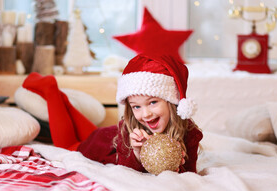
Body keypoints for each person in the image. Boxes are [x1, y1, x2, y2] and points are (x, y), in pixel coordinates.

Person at [22, 54, 203, 173]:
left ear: (172, 101)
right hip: (100, 143)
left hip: (103, 135)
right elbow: (125, 172)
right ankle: (51, 90)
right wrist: (138, 153)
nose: (145, 114)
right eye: (136, 107)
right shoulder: (131, 129)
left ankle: (60, 96)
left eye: (153, 102)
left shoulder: (190, 132)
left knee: (92, 133)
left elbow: (189, 172)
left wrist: (178, 163)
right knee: (69, 146)